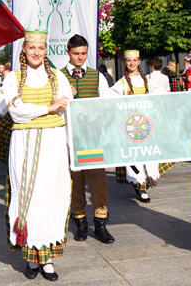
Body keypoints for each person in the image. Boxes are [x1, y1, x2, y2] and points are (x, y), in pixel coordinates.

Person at [2, 29, 73, 281]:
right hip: (24, 143)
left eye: (41, 48)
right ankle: (32, 258)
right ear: (24, 49)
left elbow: (69, 109)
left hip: (53, 144)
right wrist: (50, 107)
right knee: (29, 197)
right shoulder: (13, 78)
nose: (36, 53)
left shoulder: (57, 76)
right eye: (32, 48)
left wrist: (71, 147)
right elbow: (17, 112)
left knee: (52, 194)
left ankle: (48, 258)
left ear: (46, 51)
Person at [60, 34, 115, 244]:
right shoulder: (58, 77)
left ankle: (100, 222)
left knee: (99, 180)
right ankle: (80, 221)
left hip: (93, 137)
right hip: (68, 137)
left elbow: (107, 104)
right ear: (68, 52)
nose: (80, 57)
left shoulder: (97, 76)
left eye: (83, 53)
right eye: (76, 54)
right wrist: (66, 97)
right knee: (76, 180)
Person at [110, 50, 173, 203]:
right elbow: (111, 100)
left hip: (146, 125)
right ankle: (140, 185)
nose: (132, 63)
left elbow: (163, 95)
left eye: (135, 60)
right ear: (125, 62)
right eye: (129, 61)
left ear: (139, 62)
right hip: (131, 126)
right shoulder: (122, 83)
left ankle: (147, 179)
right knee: (135, 156)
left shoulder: (147, 81)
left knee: (149, 154)